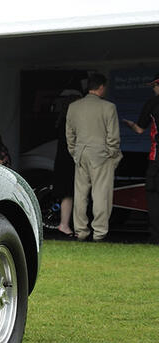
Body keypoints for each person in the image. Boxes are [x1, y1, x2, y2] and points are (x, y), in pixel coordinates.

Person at [65, 72, 122, 242]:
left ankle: (81, 231)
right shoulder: (108, 107)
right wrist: (112, 152)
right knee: (100, 195)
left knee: (80, 195)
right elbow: (113, 136)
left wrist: (74, 152)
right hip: (101, 155)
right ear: (102, 87)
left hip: (81, 154)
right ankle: (99, 232)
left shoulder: (74, 107)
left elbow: (69, 134)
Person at [123, 73, 159, 244]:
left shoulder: (153, 103)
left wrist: (129, 124)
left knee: (153, 195)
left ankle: (156, 237)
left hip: (157, 157)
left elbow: (139, 130)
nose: (153, 89)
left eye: (154, 86)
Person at [52, 89, 81, 237]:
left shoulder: (62, 119)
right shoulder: (71, 121)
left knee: (67, 194)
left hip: (62, 161)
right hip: (69, 161)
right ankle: (65, 224)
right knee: (70, 193)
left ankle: (65, 224)